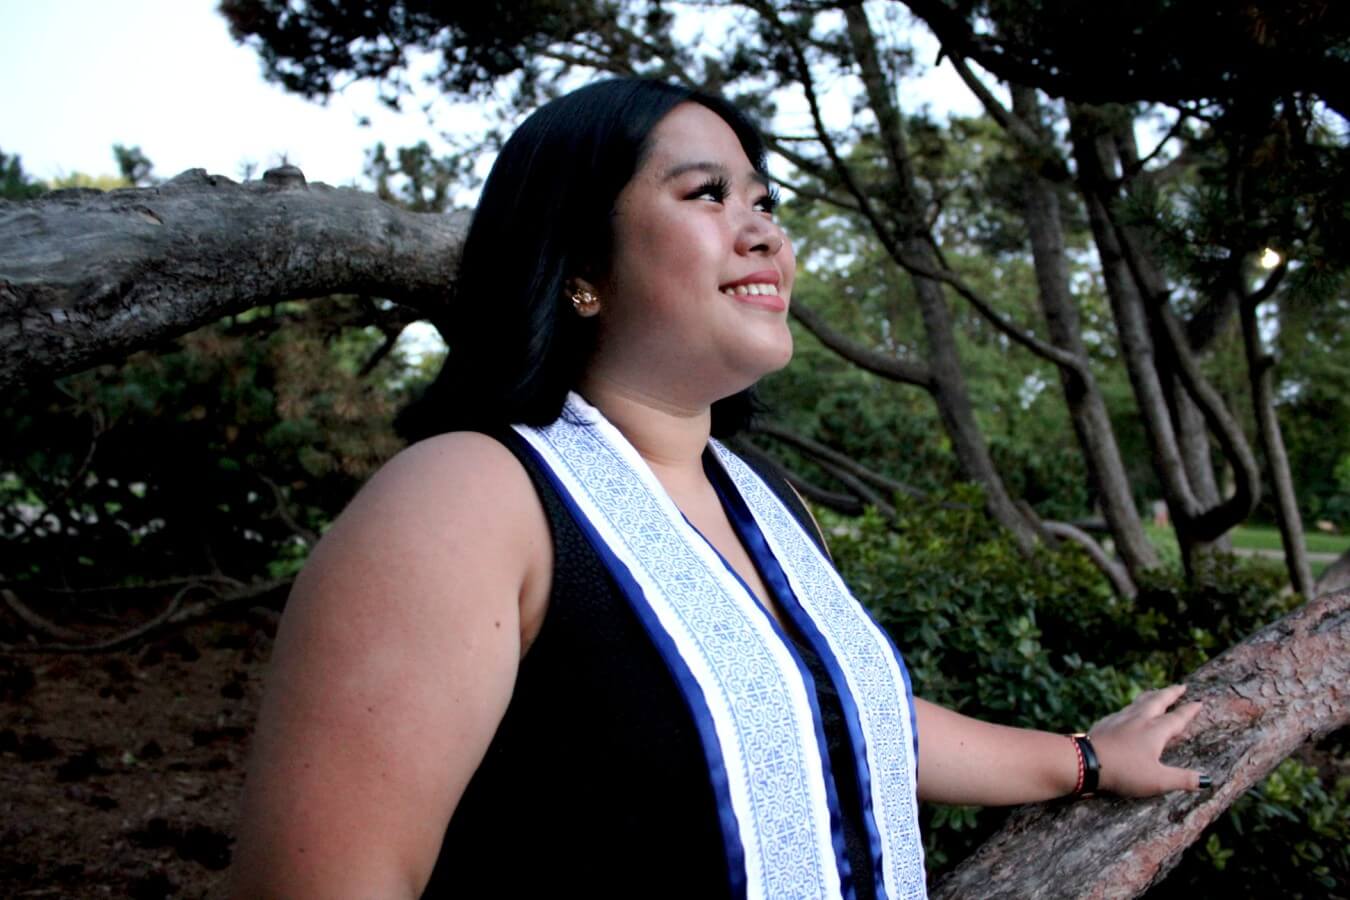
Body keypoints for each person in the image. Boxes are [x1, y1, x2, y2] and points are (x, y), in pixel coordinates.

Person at [230, 79, 1208, 900]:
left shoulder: (765, 498)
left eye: (767, 202)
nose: (766, 235)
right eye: (707, 193)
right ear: (579, 269)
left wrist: (1081, 758)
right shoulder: (467, 496)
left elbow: (837, 721)